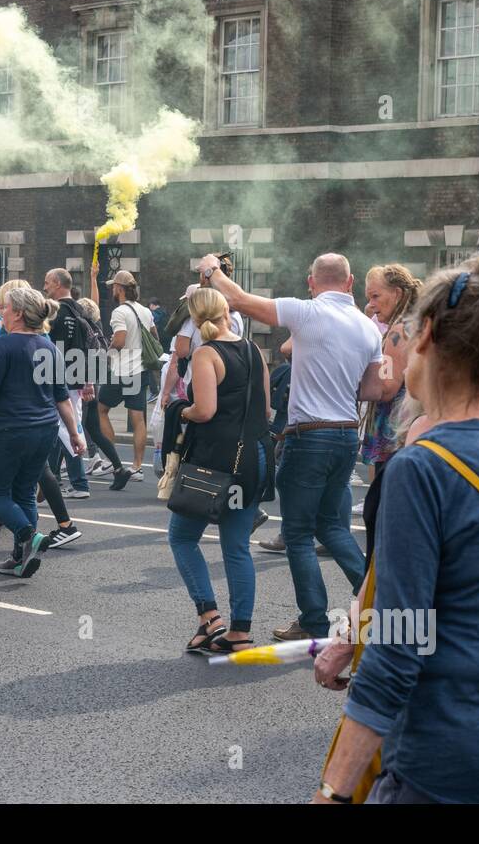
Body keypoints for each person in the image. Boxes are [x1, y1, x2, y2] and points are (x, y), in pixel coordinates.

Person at [313, 255, 479, 804]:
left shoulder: (423, 467)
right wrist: (351, 634)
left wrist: (333, 792)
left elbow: (396, 650)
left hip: (454, 767)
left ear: (429, 335)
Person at [200, 252, 384, 642]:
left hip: (309, 434)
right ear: (351, 284)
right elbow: (372, 390)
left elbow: (240, 301)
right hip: (346, 433)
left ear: (311, 282)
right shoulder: (369, 328)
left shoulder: (307, 312)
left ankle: (314, 619)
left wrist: (213, 270)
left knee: (298, 534)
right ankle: (375, 598)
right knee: (333, 527)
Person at [169, 289, 272, 655]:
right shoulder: (253, 350)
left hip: (216, 459)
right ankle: (239, 631)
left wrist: (181, 410)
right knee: (236, 546)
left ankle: (210, 616)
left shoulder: (205, 353)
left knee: (181, 537)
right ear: (227, 313)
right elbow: (267, 407)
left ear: (196, 320)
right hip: (256, 456)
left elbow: (205, 410)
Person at [0, 286, 85, 577]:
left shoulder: (4, 347)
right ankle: (20, 559)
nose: (2, 313)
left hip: (10, 428)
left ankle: (27, 535)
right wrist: (74, 434)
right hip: (45, 429)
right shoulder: (49, 347)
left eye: (5, 308)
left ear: (19, 313)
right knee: (23, 492)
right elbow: (62, 397)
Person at [92, 270, 156, 478]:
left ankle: (113, 461)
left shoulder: (120, 312)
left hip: (122, 371)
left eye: (113, 286)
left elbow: (119, 340)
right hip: (141, 370)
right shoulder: (145, 311)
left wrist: (108, 353)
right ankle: (137, 468)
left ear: (119, 289)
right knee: (138, 418)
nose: (111, 289)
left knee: (100, 410)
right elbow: (154, 335)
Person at [360, 265, 420, 477]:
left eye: (376, 296)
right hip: (414, 429)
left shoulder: (398, 331)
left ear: (397, 294)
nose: (371, 305)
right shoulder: (420, 325)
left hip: (394, 434)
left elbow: (385, 389)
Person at [43, 268, 94, 498]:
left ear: (56, 283)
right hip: (78, 376)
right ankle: (51, 478)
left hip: (59, 377)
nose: (44, 287)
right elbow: (90, 346)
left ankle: (80, 483)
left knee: (65, 430)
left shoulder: (56, 312)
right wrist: (88, 379)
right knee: (63, 428)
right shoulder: (80, 309)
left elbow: (53, 348)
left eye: (47, 283)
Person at [77, 296, 130, 485]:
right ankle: (119, 468)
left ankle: (67, 478)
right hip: (95, 384)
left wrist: (86, 382)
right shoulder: (97, 327)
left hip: (84, 384)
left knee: (72, 430)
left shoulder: (82, 329)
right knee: (94, 430)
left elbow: (87, 356)